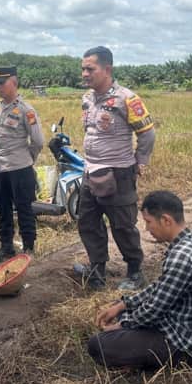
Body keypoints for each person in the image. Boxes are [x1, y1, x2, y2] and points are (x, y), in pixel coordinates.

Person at [88, 191, 192, 369]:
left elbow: (155, 309)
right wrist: (122, 305)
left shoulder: (182, 256)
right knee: (121, 312)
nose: (147, 229)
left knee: (98, 344)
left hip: (182, 341)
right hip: (184, 323)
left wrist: (121, 325)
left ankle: (176, 360)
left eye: (148, 222)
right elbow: (160, 287)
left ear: (166, 220)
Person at [73, 46, 156, 290]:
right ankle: (97, 268)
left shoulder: (127, 98)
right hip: (91, 171)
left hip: (119, 172)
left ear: (107, 69)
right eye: (83, 69)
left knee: (122, 225)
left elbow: (148, 134)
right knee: (88, 221)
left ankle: (134, 270)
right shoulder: (87, 99)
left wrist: (141, 161)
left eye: (90, 69)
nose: (84, 74)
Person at [0, 66, 44, 263]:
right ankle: (6, 248)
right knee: (3, 209)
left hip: (20, 169)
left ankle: (28, 250)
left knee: (24, 209)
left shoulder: (26, 110)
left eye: (2, 83)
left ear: (14, 83)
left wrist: (26, 159)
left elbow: (38, 141)